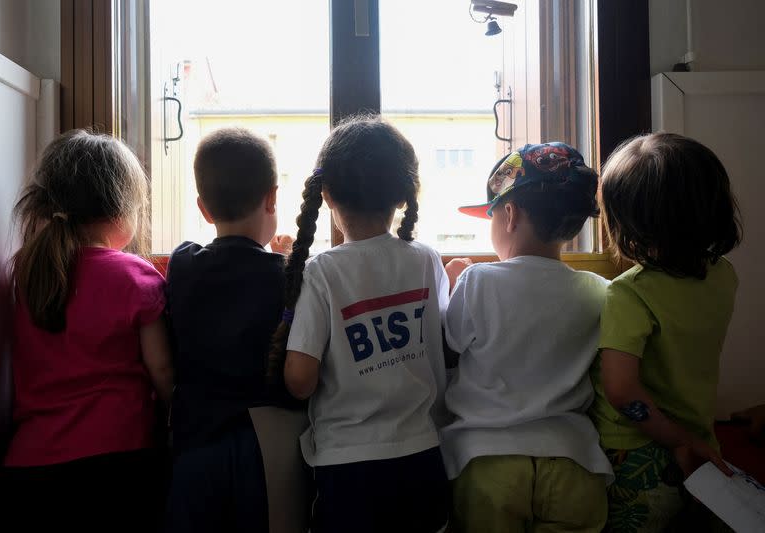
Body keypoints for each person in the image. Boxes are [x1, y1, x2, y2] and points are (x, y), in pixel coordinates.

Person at [269, 115, 450, 533]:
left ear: (326, 194)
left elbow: (299, 378)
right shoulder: (426, 260)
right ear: (404, 195)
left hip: (348, 466)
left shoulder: (323, 271)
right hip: (423, 454)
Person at [1, 130, 173, 533]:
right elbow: (162, 370)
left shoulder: (30, 269)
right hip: (114, 465)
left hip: (29, 468)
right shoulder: (134, 275)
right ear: (121, 212)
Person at [442, 143, 614, 533]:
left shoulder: (478, 280)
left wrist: (452, 285)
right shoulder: (598, 290)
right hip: (574, 463)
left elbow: (452, 340)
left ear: (509, 213)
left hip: (488, 463)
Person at [591, 132, 742, 532]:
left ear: (626, 223)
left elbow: (621, 391)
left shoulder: (629, 293)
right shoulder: (724, 275)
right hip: (701, 439)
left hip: (637, 455)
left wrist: (675, 441)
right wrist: (687, 439)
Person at [165, 128, 308, 533]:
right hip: (267, 446)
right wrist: (282, 259)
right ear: (272, 198)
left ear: (203, 209)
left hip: (196, 441)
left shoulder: (183, 263)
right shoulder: (287, 278)